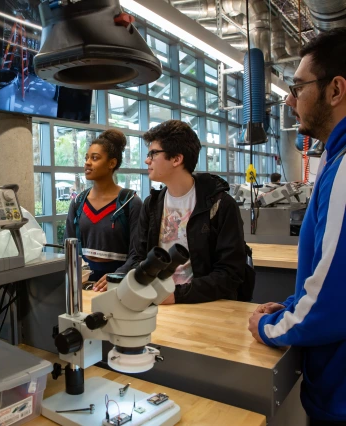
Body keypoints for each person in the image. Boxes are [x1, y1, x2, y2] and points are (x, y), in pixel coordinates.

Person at [248, 28, 346, 426]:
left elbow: (334, 297)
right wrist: (290, 306)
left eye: (299, 86)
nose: (290, 99)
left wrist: (270, 325)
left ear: (336, 90)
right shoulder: (333, 161)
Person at [135, 120, 247, 303]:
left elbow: (230, 273)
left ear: (177, 159)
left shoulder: (220, 204)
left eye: (153, 154)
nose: (147, 160)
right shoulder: (152, 204)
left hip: (204, 306)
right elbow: (138, 257)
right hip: (156, 303)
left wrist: (177, 295)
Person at [64, 129, 142, 292]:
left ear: (111, 163)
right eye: (86, 158)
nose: (87, 163)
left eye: (95, 158)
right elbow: (69, 248)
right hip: (84, 285)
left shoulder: (130, 202)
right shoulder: (78, 202)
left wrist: (117, 276)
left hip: (120, 285)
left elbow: (138, 253)